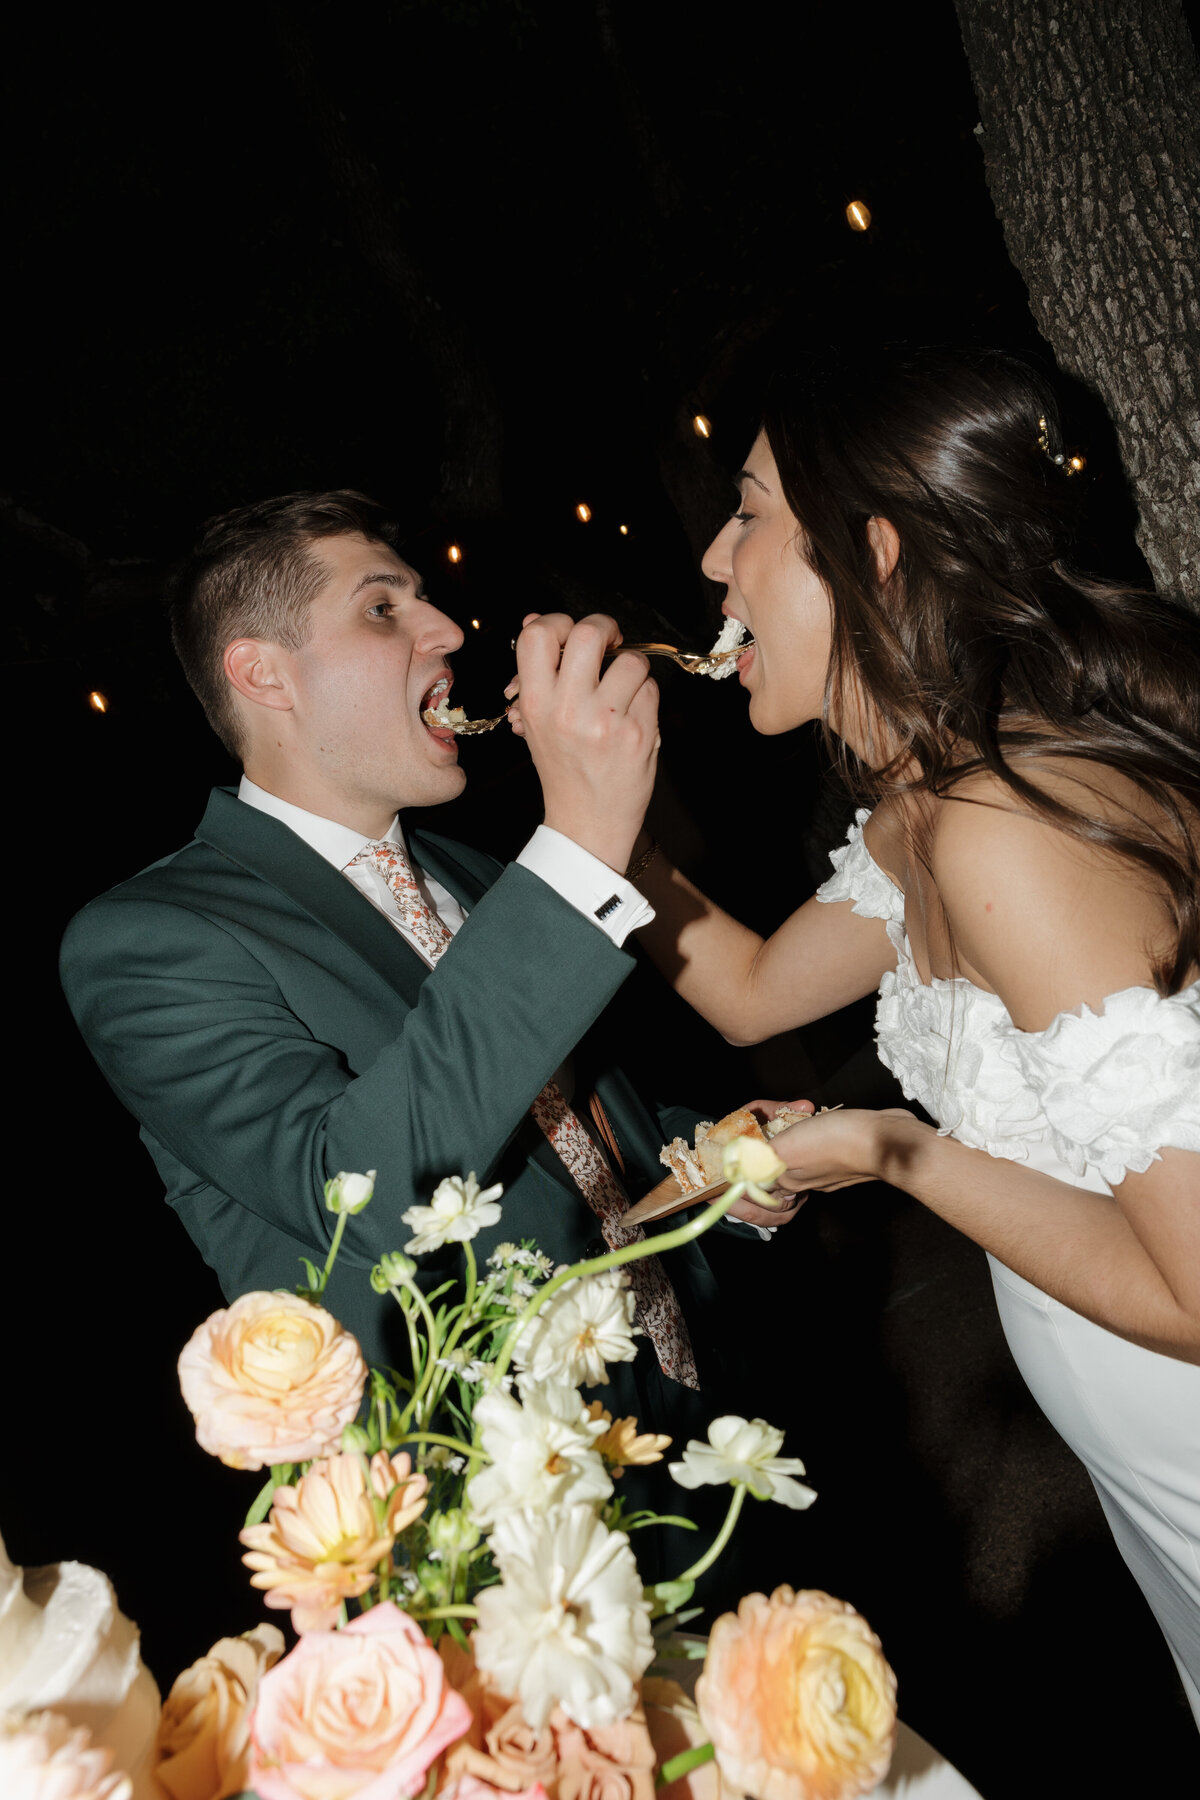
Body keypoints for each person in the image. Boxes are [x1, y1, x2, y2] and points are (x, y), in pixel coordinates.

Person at [622, 348, 1200, 1719]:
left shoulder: (1008, 831)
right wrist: (600, 832)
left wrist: (888, 1152)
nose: (712, 553)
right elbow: (754, 987)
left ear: (870, 552)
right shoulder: (925, 809)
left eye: (751, 509)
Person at [59, 490, 801, 1464]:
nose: (448, 629)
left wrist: (711, 1167)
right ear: (263, 674)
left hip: (701, 1421)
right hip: (487, 1505)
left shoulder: (475, 872)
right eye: (382, 608)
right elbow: (361, 1189)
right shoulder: (147, 940)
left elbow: (569, 1133)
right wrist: (579, 842)